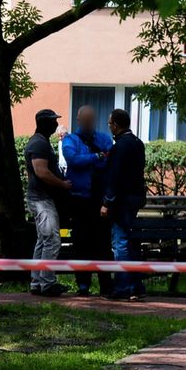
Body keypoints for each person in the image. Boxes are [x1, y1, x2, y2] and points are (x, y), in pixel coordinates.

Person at [61, 105, 114, 297]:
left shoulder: (104, 139)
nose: (89, 124)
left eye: (92, 120)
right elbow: (73, 160)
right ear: (78, 120)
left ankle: (106, 285)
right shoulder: (70, 140)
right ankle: (83, 285)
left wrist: (92, 159)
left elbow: (109, 161)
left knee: (103, 244)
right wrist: (97, 156)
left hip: (99, 200)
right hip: (80, 200)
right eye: (85, 120)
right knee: (81, 243)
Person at [24, 108, 73, 297]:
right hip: (42, 200)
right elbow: (41, 172)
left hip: (40, 199)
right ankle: (47, 284)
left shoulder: (41, 142)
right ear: (43, 123)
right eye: (53, 120)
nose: (56, 124)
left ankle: (37, 282)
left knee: (42, 241)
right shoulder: (38, 144)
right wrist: (63, 184)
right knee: (52, 240)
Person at [102, 107, 148, 301]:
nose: (109, 126)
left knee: (119, 243)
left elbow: (115, 177)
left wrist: (107, 202)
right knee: (129, 243)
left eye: (110, 123)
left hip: (121, 201)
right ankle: (136, 285)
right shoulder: (137, 143)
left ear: (116, 125)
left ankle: (122, 287)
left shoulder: (119, 146)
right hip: (135, 198)